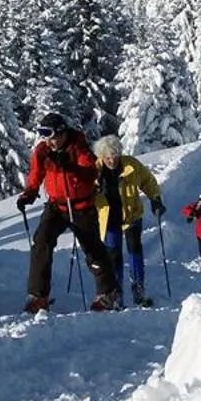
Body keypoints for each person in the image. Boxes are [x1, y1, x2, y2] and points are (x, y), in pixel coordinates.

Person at [18, 113, 122, 312]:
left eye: (51, 135)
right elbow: (35, 174)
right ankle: (38, 296)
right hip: (56, 206)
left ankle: (107, 293)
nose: (48, 141)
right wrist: (29, 194)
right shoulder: (43, 151)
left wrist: (71, 167)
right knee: (41, 242)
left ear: (62, 133)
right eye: (43, 135)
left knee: (92, 249)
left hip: (81, 207)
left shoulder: (78, 147)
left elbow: (91, 173)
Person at [92, 135, 165, 307]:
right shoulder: (95, 170)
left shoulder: (131, 164)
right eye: (108, 158)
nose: (112, 161)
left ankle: (138, 289)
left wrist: (155, 199)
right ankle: (116, 294)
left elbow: (148, 181)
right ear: (102, 157)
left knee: (134, 250)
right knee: (114, 256)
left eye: (115, 156)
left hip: (131, 215)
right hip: (108, 219)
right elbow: (86, 190)